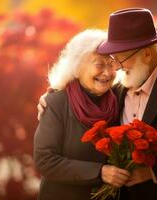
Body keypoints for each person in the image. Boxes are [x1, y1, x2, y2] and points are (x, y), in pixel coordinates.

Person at [37, 8, 157, 200]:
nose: (115, 67)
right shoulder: (121, 83)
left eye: (120, 59)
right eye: (113, 59)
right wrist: (52, 96)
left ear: (146, 55)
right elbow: (81, 88)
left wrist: (153, 172)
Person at [33, 29, 131, 200]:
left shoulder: (121, 97)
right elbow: (45, 161)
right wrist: (99, 172)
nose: (107, 73)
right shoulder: (57, 103)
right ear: (76, 69)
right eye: (99, 64)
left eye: (111, 64)